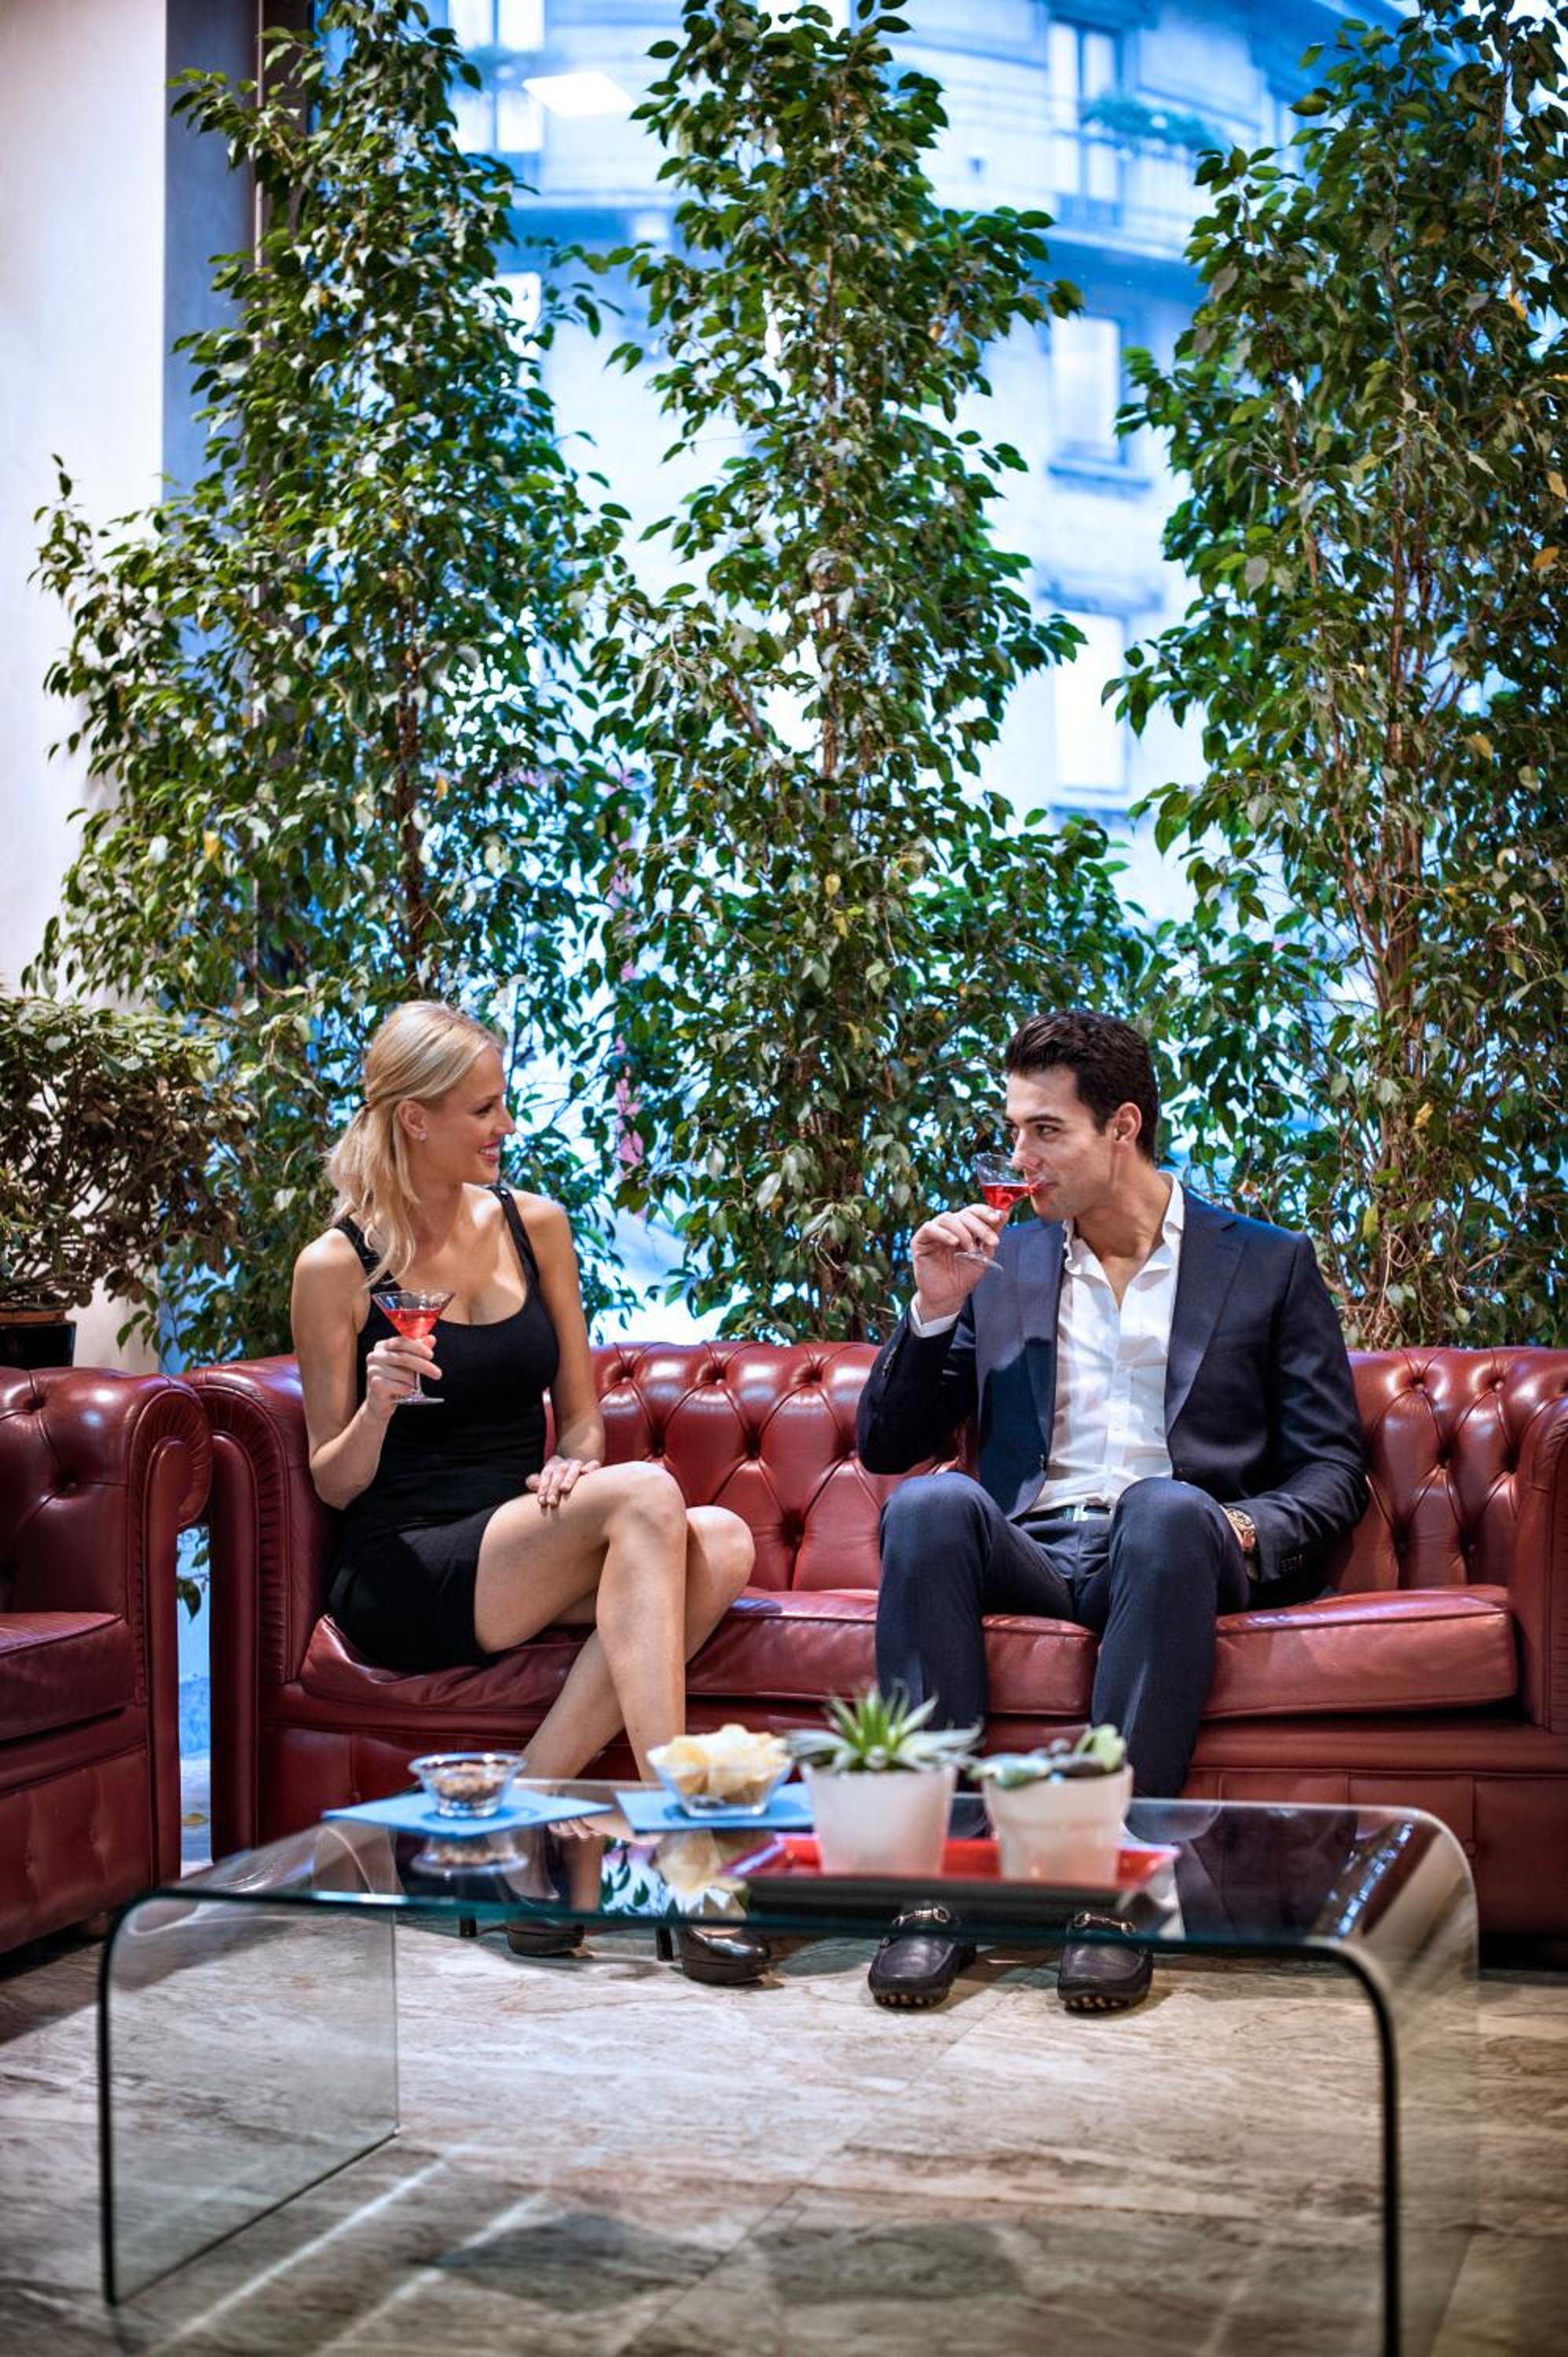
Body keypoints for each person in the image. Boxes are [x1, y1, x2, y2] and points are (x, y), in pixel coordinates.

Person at [856, 1010, 1367, 2012]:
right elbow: (885, 1444)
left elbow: (1331, 1469)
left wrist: (1242, 1529)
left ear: (1122, 1126)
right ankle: (937, 1885)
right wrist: (935, 1307)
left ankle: (1106, 1895)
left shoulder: (1265, 1263)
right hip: (1037, 1548)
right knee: (928, 1507)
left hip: (1176, 1549)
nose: (1020, 1159)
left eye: (1045, 1131)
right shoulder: (1003, 1268)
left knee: (1164, 1508)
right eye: (1013, 1131)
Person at [291, 999, 768, 1985]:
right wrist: (376, 1407)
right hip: (407, 1560)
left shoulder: (534, 1224)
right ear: (414, 1118)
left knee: (721, 1539)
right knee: (650, 1501)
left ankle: (523, 1819)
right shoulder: (334, 1267)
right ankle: (687, 1856)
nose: (505, 1125)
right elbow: (334, 1483)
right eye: (484, 1109)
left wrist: (575, 1463)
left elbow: (582, 1417)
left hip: (519, 1531)